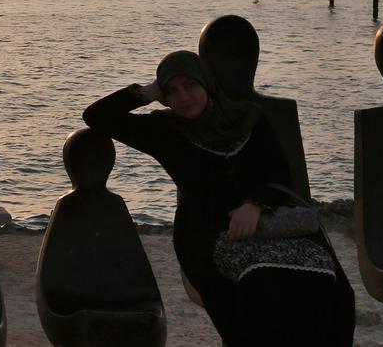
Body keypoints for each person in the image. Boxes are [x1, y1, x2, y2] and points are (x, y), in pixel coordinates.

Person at [83, 51, 352, 346]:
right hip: (208, 234)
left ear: (206, 82)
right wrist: (147, 92)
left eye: (190, 85)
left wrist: (254, 205)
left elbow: (279, 173)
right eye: (172, 90)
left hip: (267, 223)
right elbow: (96, 116)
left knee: (323, 279)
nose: (184, 96)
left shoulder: (248, 118)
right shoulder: (164, 131)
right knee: (262, 283)